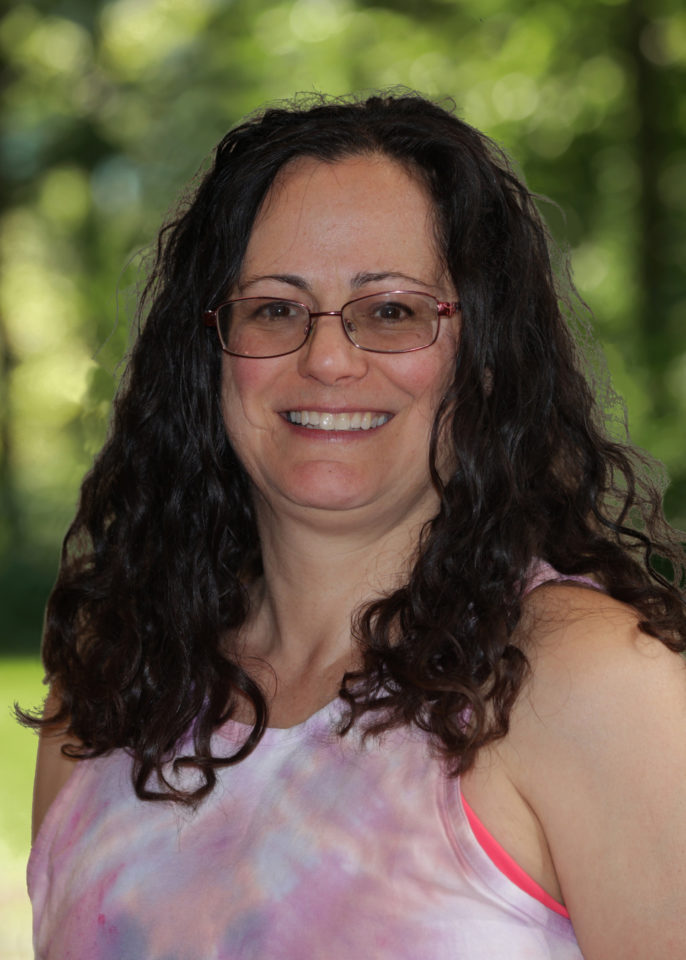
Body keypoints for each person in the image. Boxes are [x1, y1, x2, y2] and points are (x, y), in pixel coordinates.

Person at [23, 92, 686, 959]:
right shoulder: (113, 691)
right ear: (210, 354)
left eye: (393, 311)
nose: (328, 358)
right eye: (275, 309)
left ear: (483, 358)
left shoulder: (590, 683)